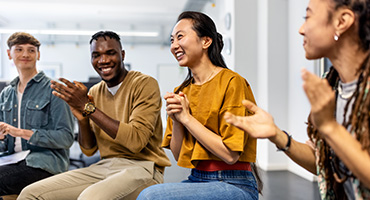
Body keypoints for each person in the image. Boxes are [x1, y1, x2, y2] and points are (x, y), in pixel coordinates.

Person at [224, 0, 370, 199]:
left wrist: (329, 127)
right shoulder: (332, 85)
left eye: (307, 17)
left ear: (342, 21)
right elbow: (321, 162)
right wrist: (277, 135)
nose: (301, 29)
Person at [18, 30, 171, 200]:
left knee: (90, 198)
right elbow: (89, 150)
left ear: (122, 55)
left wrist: (88, 108)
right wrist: (83, 119)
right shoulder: (95, 92)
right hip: (105, 166)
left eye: (110, 53)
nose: (103, 60)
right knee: (30, 194)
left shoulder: (144, 84)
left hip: (144, 168)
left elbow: (136, 141)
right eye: (96, 55)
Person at [137, 11, 262, 200]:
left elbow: (230, 155)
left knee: (150, 196)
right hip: (197, 178)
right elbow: (179, 157)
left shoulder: (232, 82)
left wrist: (187, 118)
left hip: (235, 183)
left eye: (180, 37)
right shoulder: (181, 91)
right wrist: (177, 120)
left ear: (206, 41)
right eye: (172, 40)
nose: (174, 46)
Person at [0, 32, 74, 196]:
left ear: (38, 55)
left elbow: (66, 138)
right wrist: (2, 137)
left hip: (43, 163)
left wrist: (20, 132)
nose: (25, 54)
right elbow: (4, 145)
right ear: (9, 54)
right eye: (19, 49)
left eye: (31, 50)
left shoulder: (55, 89)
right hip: (11, 160)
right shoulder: (6, 94)